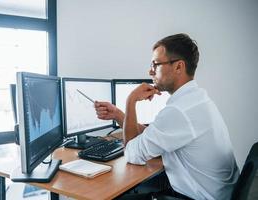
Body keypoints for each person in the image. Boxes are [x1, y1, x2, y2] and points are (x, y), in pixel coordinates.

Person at [94, 33, 239, 200]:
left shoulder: (179, 111)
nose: (150, 71)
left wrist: (131, 99)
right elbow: (153, 136)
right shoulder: (197, 99)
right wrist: (118, 115)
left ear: (178, 67)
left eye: (155, 64)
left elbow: (132, 154)